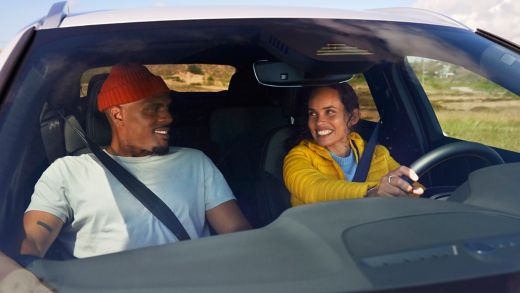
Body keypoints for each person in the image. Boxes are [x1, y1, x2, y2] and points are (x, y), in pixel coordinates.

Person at [20, 63, 251, 259]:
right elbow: (34, 241)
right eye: (153, 109)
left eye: (167, 107)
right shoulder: (68, 172)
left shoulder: (195, 162)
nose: (168, 117)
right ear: (118, 114)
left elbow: (237, 233)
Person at [283, 84, 424, 206]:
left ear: (353, 117)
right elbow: (313, 189)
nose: (319, 122)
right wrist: (371, 192)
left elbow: (415, 189)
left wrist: (411, 192)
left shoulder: (378, 154)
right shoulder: (298, 157)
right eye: (313, 114)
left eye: (330, 112)